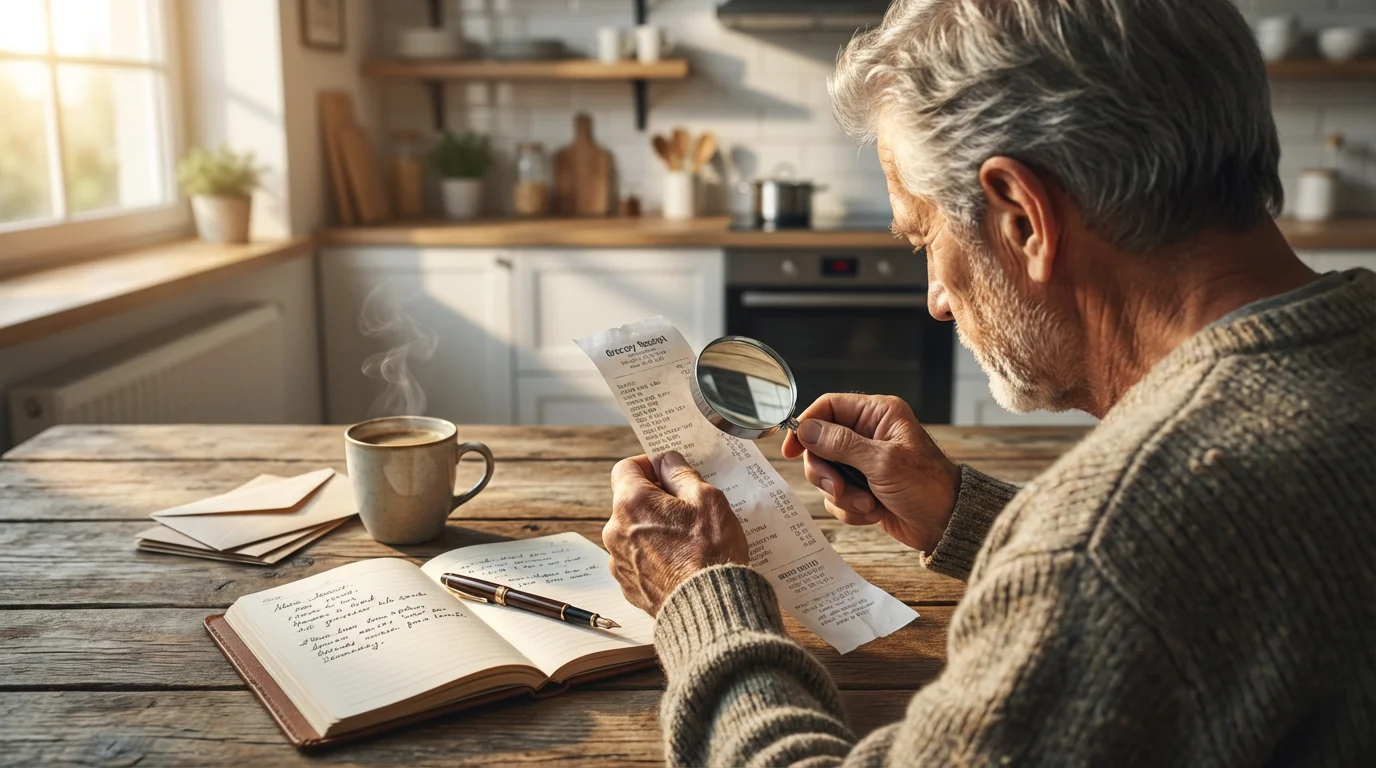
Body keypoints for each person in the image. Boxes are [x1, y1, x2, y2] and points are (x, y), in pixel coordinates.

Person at [602, 0, 1376, 765]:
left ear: (1023, 218)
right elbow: (1211, 594)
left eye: (923, 235)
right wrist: (963, 519)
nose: (937, 299)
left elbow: (1123, 565)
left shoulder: (1102, 547)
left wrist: (701, 604)